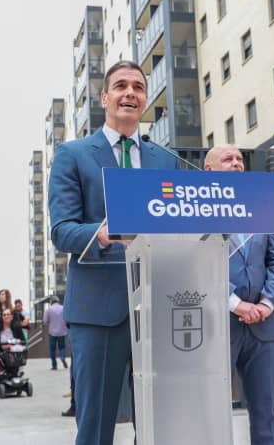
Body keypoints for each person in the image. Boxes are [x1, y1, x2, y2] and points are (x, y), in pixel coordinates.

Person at [48, 60, 179, 444]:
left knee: (159, 426)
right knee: (96, 428)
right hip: (98, 310)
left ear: (145, 99)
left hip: (157, 308)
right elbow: (62, 231)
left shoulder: (165, 160)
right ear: (105, 97)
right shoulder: (74, 154)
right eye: (120, 86)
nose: (130, 93)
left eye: (138, 87)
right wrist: (103, 233)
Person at [202, 145, 274, 445]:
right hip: (218, 324)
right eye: (228, 159)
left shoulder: (260, 207)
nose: (237, 163)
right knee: (212, 411)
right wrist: (236, 304)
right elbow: (196, 261)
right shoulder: (198, 209)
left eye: (240, 159)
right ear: (209, 170)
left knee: (266, 412)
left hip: (262, 326)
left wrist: (266, 303)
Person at [0, 308, 27, 376]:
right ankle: (1, 372)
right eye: (4, 315)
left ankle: (16, 371)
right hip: (1, 352)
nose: (6, 316)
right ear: (2, 317)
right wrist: (1, 346)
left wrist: (12, 345)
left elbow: (23, 341)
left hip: (14, 353)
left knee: (19, 352)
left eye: (8, 314)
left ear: (12, 317)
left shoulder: (17, 328)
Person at [43, 296, 68, 370]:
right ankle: (62, 357)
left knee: (52, 349)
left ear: (51, 302)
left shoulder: (48, 310)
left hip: (52, 333)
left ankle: (54, 365)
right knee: (62, 347)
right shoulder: (63, 308)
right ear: (58, 301)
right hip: (62, 332)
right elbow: (67, 318)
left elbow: (45, 321)